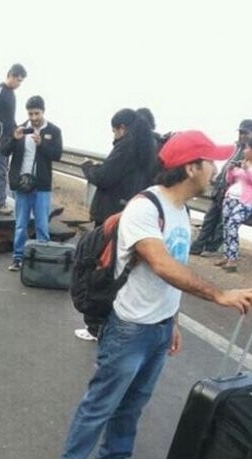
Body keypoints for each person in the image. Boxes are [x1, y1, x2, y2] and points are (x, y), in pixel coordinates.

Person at [57, 130, 252, 459]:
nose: (216, 168)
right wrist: (220, 294)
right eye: (210, 161)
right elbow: (163, 265)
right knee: (102, 400)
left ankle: (112, 458)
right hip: (129, 326)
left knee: (135, 400)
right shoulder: (145, 208)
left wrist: (174, 321)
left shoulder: (181, 212)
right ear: (191, 167)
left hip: (159, 326)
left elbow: (173, 274)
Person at [76, 107, 158, 341]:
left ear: (122, 128)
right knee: (123, 272)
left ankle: (95, 327)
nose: (113, 136)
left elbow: (104, 177)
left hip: (112, 216)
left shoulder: (126, 146)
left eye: (114, 131)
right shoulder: (149, 148)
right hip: (133, 215)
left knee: (101, 271)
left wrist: (87, 167)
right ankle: (114, 323)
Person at [0, 95, 63, 271]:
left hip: (42, 185)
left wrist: (42, 144)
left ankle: (42, 259)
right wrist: (14, 138)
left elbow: (57, 154)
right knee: (21, 224)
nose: (34, 118)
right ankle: (18, 258)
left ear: (43, 111)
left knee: (42, 225)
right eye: (30, 114)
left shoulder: (54, 130)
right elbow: (4, 151)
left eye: (37, 113)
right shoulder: (20, 128)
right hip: (22, 183)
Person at [189, 119, 252, 256]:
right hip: (221, 188)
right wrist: (217, 181)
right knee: (209, 219)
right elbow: (226, 168)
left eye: (245, 133)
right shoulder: (236, 148)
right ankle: (198, 246)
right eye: (241, 132)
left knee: (221, 223)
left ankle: (211, 248)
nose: (242, 135)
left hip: (235, 194)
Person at [215, 135, 252, 272]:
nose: (244, 150)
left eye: (247, 148)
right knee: (226, 226)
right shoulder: (244, 161)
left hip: (245, 201)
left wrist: (246, 169)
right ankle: (227, 256)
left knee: (232, 224)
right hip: (230, 198)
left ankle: (233, 259)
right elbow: (230, 180)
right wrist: (230, 170)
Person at [0, 63, 27, 215]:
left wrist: (16, 128)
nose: (18, 83)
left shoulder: (11, 94)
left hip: (8, 138)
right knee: (0, 172)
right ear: (10, 75)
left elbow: (9, 118)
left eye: (21, 81)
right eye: (17, 79)